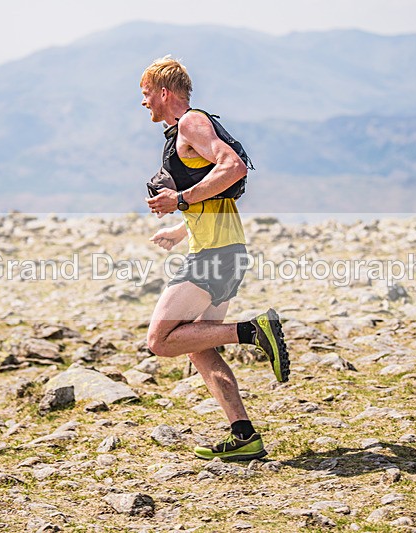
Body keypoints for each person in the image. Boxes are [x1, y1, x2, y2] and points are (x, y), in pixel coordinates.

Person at [140, 55, 290, 461]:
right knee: (198, 344)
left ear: (164, 92)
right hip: (223, 249)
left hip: (216, 255)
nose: (144, 102)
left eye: (147, 93)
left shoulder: (191, 122)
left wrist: (180, 199)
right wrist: (182, 226)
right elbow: (216, 193)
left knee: (159, 340)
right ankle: (244, 435)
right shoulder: (181, 133)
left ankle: (253, 331)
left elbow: (233, 167)